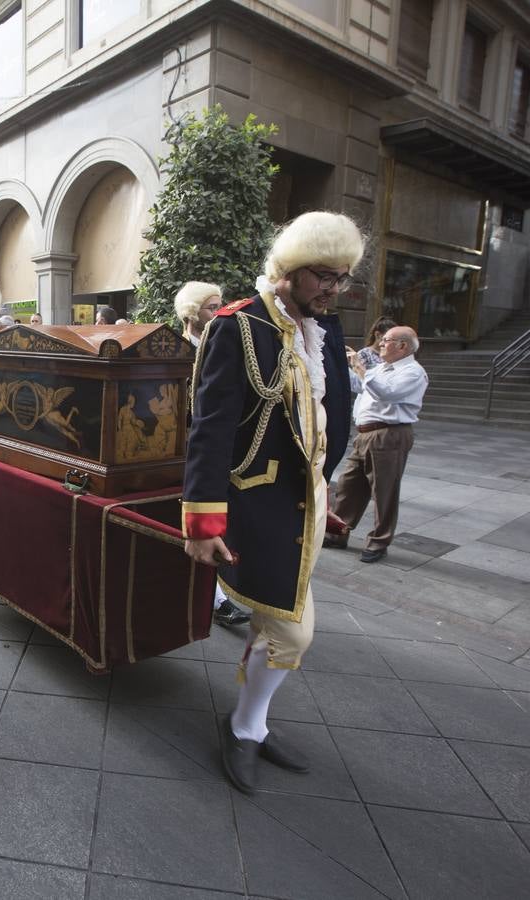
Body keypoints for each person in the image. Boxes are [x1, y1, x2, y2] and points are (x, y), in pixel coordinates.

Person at [182, 211, 363, 794]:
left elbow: (320, 424)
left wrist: (323, 492)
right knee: (293, 633)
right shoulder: (238, 327)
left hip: (302, 504)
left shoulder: (324, 329)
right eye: (322, 276)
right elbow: (208, 430)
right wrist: (203, 521)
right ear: (288, 270)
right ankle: (243, 725)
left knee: (279, 626)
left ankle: (252, 722)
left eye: (341, 278)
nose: (333, 289)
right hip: (254, 506)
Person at [173, 281, 252, 629]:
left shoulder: (226, 344)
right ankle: (215, 599)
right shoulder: (174, 349)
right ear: (192, 313)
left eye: (220, 305)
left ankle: (218, 598)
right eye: (210, 307)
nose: (218, 312)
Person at [327, 325, 428, 564]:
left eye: (386, 340)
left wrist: (361, 368)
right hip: (365, 434)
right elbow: (360, 386)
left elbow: (387, 393)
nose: (380, 343)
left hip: (389, 434)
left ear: (403, 345)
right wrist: (345, 364)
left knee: (384, 491)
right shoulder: (382, 368)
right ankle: (337, 532)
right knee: (348, 485)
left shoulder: (413, 372)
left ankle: (379, 541)